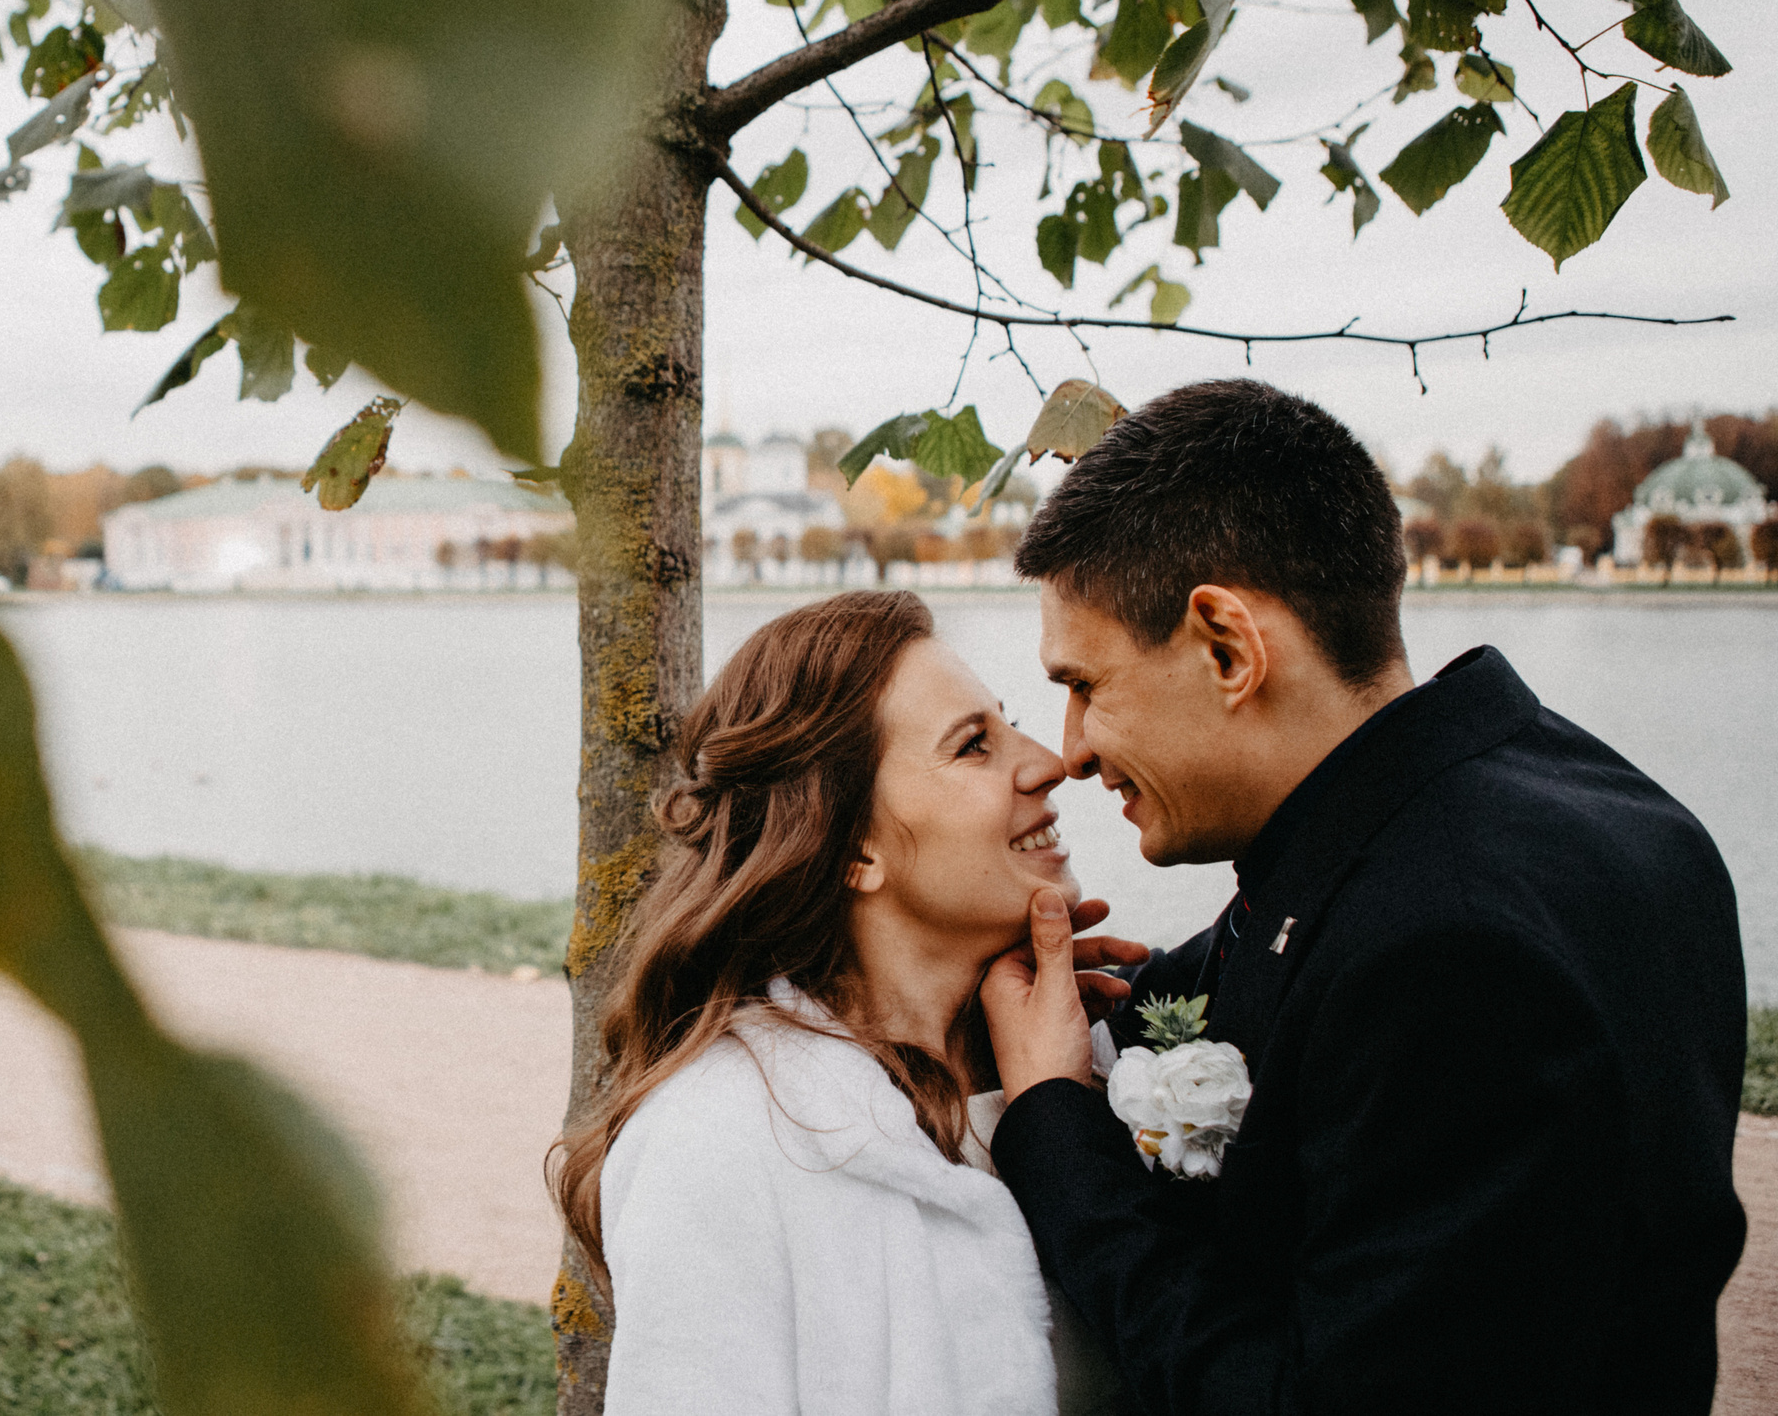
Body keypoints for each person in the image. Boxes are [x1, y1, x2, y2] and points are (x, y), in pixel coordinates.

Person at [979, 379, 1747, 1413]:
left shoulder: (1452, 954)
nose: (1070, 752)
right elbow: (1293, 962)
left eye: (1085, 685)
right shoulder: (1589, 806)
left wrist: (1051, 1127)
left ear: (1227, 647)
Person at [553, 590, 1138, 1415]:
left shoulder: (1094, 1064)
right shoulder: (721, 1141)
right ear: (854, 846)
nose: (1047, 760)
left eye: (1007, 725)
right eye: (975, 746)